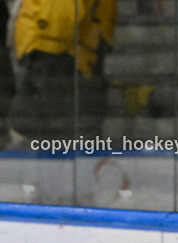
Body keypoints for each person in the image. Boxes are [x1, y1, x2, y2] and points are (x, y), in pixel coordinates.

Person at [9, 0, 117, 141]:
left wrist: (46, 47)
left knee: (30, 129)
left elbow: (60, 16)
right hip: (69, 51)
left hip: (55, 52)